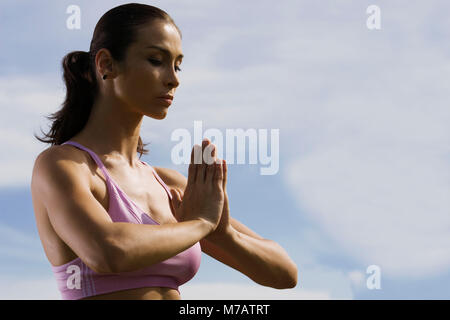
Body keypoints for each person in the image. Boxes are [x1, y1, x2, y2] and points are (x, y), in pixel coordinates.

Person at [31, 3, 297, 300]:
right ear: (106, 64)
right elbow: (107, 251)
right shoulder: (62, 165)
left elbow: (285, 274)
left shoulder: (169, 185)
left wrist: (225, 236)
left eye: (178, 64)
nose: (174, 79)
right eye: (156, 60)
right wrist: (200, 224)